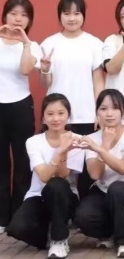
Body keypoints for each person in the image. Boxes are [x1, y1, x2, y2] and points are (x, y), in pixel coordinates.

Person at [40, 0, 104, 199]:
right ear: (59, 16)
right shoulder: (49, 43)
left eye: (77, 13)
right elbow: (45, 83)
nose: (71, 18)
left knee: (85, 171)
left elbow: (98, 81)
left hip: (86, 114)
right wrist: (45, 69)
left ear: (83, 15)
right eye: (66, 13)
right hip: (58, 117)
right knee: (61, 168)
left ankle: (82, 210)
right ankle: (62, 208)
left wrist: (99, 112)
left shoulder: (94, 44)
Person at [6, 94, 85, 259]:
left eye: (61, 113)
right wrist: (61, 150)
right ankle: (49, 231)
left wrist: (64, 150)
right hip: (38, 196)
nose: (55, 118)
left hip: (65, 196)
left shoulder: (77, 140)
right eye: (50, 114)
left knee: (56, 185)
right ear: (43, 117)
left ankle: (59, 240)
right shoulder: (33, 142)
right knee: (17, 228)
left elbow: (62, 175)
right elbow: (44, 176)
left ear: (68, 116)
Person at [73, 89, 124, 258]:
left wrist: (99, 149)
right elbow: (95, 174)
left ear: (123, 112)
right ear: (97, 112)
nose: (109, 114)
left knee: (118, 189)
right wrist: (104, 145)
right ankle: (110, 233)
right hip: (103, 192)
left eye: (115, 108)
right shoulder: (92, 138)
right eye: (103, 109)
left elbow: (123, 168)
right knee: (83, 217)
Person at [0, 0, 40, 232]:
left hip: (21, 106)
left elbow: (25, 70)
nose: (18, 19)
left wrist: (25, 43)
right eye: (13, 13)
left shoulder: (32, 45)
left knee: (23, 161)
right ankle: (1, 217)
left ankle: (18, 215)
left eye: (24, 15)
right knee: (1, 163)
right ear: (5, 15)